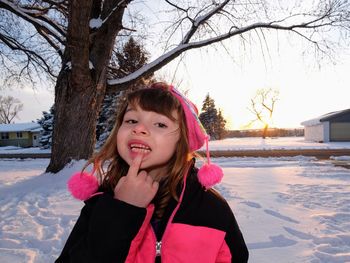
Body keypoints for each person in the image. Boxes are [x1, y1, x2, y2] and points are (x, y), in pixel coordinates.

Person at [56, 82, 249, 263]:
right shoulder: (100, 204)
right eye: (131, 120)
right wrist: (121, 211)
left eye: (160, 124)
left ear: (182, 142)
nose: (139, 128)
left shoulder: (212, 209)